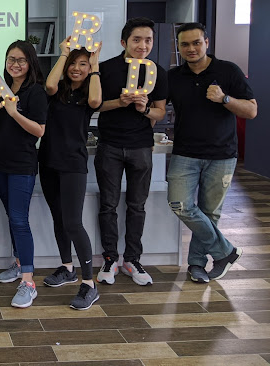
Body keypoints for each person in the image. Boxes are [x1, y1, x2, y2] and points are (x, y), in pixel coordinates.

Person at [167, 22, 257, 283]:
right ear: (179, 47)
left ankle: (196, 264)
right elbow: (159, 107)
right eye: (185, 44)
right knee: (180, 204)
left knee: (209, 213)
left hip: (222, 155)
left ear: (206, 42)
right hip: (185, 153)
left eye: (196, 42)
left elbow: (251, 111)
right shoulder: (173, 77)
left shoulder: (228, 71)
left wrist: (225, 99)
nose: (191, 48)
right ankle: (226, 252)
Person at [95, 17, 167, 286]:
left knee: (137, 206)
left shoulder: (157, 71)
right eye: (137, 39)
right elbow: (94, 105)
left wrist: (145, 109)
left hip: (141, 146)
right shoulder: (105, 69)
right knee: (108, 205)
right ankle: (110, 258)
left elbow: (160, 111)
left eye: (148, 40)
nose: (143, 45)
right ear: (124, 42)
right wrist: (119, 102)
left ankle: (133, 259)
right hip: (110, 145)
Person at [39, 39, 103, 310]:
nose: (77, 68)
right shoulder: (58, 90)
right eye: (73, 64)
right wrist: (64, 54)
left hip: (73, 164)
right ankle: (67, 267)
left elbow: (96, 101)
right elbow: (49, 85)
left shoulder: (89, 94)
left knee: (73, 223)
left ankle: (89, 283)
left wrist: (95, 64)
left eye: (83, 64)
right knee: (59, 218)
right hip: (48, 161)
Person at [0, 40, 47, 308]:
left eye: (21, 60)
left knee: (19, 221)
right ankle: (19, 262)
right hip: (0, 163)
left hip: (22, 165)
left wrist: (13, 112)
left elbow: (39, 130)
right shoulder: (4, 88)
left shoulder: (35, 91)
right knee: (12, 219)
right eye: (11, 59)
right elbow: (7, 126)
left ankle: (28, 282)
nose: (15, 64)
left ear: (30, 62)